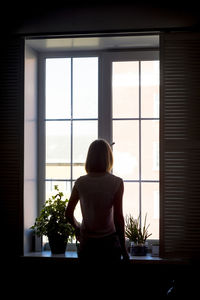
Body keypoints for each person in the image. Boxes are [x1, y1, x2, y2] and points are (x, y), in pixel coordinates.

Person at [65, 139, 129, 265]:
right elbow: (118, 219)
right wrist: (124, 249)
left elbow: (68, 213)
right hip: (109, 245)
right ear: (108, 158)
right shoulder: (116, 182)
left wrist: (77, 226)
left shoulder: (80, 182)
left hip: (87, 245)